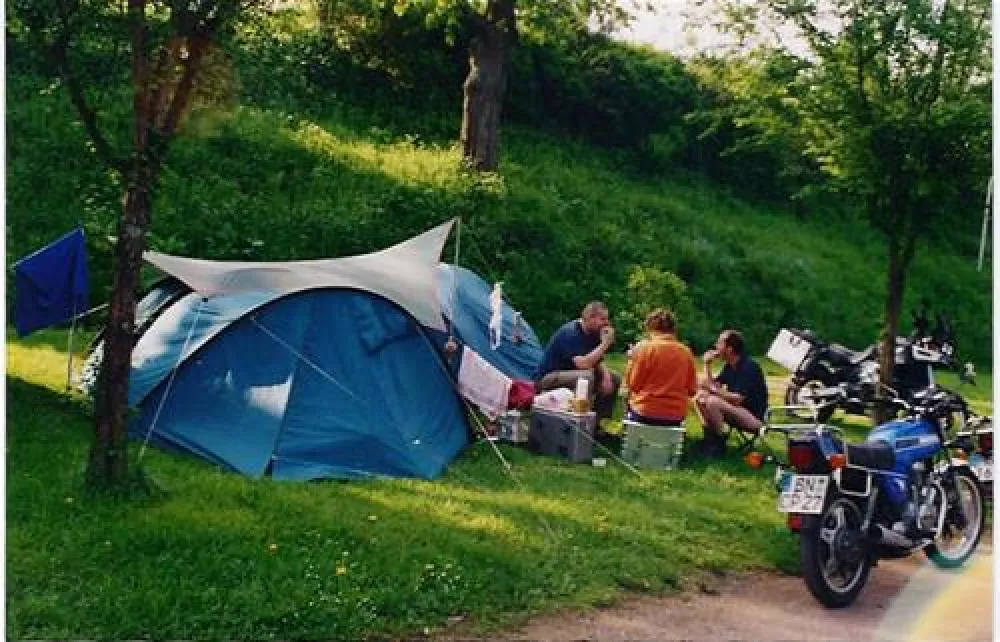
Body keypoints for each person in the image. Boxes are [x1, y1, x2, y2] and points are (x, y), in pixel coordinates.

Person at [534, 301, 621, 424]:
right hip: (548, 377)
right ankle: (581, 424)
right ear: (591, 318)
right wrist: (605, 344)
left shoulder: (593, 333)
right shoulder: (571, 333)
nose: (607, 323)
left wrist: (606, 377)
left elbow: (597, 360)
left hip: (572, 375)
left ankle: (600, 424)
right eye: (603, 319)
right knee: (586, 377)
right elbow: (583, 364)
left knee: (614, 378)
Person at [695, 329, 768, 457]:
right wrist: (707, 365)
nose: (716, 346)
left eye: (719, 343)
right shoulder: (729, 366)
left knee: (713, 402)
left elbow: (737, 399)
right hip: (737, 411)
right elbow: (712, 385)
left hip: (753, 417)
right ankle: (709, 438)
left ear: (729, 349)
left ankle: (719, 444)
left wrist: (712, 390)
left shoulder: (749, 367)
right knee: (700, 397)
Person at [624, 308, 698, 427]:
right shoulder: (686, 352)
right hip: (675, 415)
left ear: (650, 328)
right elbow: (692, 390)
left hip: (645, 411)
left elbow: (633, 386)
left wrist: (632, 360)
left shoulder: (646, 349)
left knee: (628, 400)